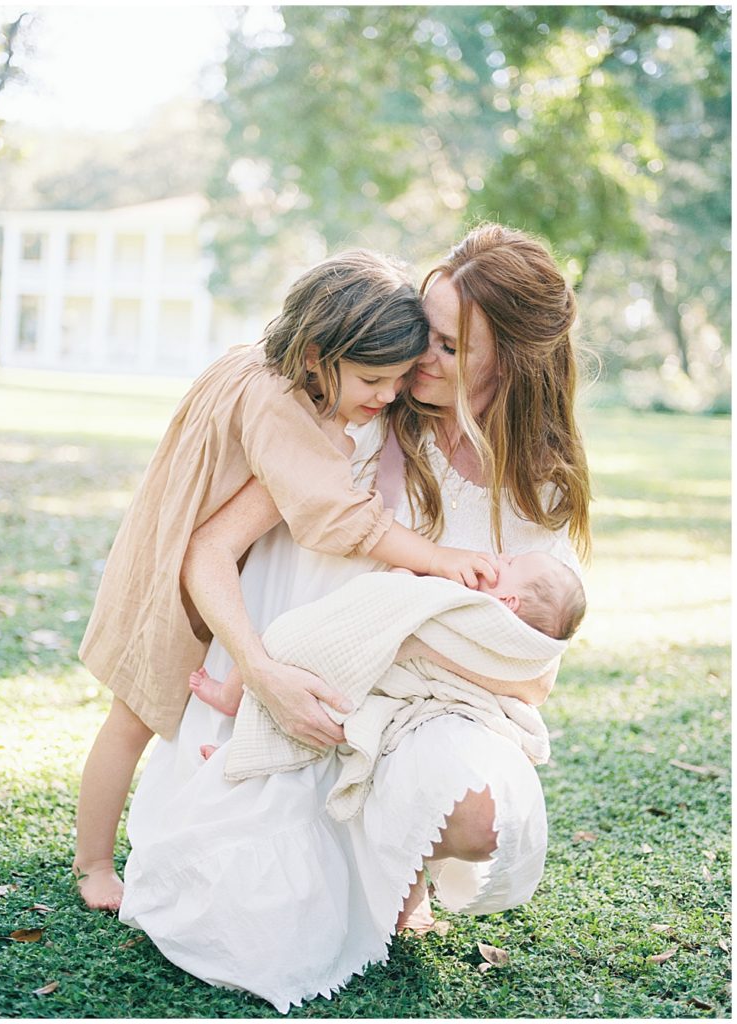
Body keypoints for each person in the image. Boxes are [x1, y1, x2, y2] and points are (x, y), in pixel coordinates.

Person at [117, 222, 592, 1012]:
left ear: (504, 359)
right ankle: (364, 866)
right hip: (287, 688)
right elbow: (207, 551)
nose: (416, 360)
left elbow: (531, 676)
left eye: (445, 345)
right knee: (241, 926)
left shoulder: (537, 484)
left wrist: (394, 644)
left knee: (478, 820)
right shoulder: (358, 417)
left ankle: (395, 861)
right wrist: (263, 672)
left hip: (416, 704)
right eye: (420, 329)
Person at [73, 249, 498, 911]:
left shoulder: (264, 369)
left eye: (394, 379)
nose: (387, 397)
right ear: (314, 355)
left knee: (147, 715)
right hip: (174, 574)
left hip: (194, 555)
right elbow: (330, 516)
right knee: (132, 717)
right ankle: (93, 863)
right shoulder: (280, 408)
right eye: (372, 381)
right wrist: (437, 559)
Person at [188, 548, 586, 731]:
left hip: (360, 662)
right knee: (301, 686)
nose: (500, 558)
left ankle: (230, 702)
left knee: (281, 642)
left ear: (508, 601)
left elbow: (411, 603)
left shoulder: (471, 610)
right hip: (360, 653)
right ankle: (234, 725)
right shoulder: (487, 623)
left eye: (510, 564)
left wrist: (404, 578)